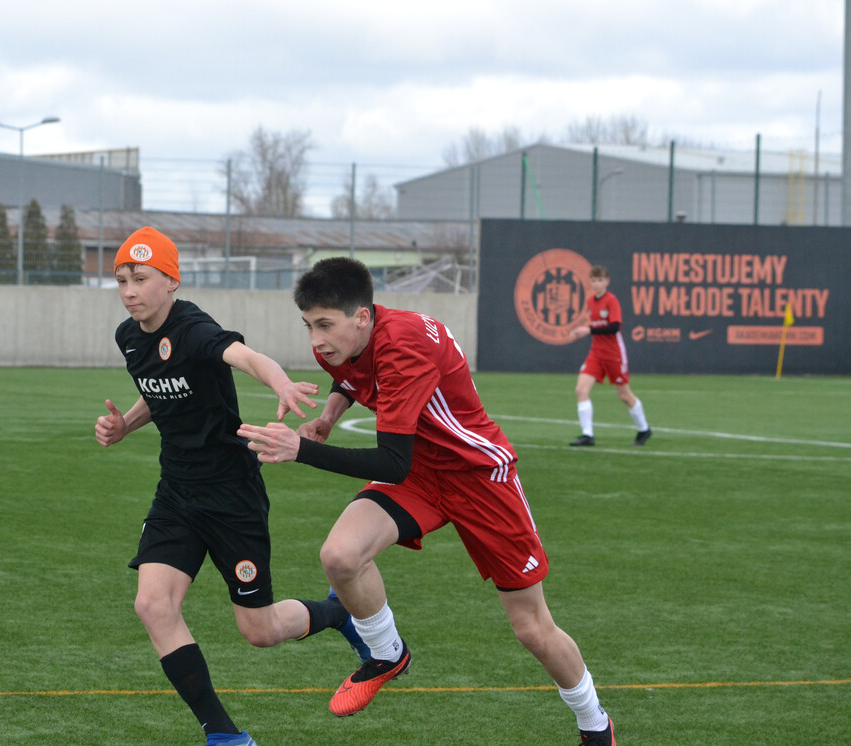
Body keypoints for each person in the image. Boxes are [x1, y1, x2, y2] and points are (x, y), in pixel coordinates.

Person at [237, 257, 616, 745]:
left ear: (362, 317)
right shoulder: (343, 340)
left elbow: (391, 462)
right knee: (339, 556)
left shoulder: (406, 346)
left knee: (531, 628)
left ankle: (594, 724)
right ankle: (387, 653)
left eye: (325, 325)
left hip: (480, 478)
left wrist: (303, 449)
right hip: (421, 473)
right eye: (309, 325)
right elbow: (351, 379)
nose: (317, 340)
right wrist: (330, 416)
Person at [96, 228, 368, 746]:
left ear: (171, 281)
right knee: (153, 605)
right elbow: (163, 391)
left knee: (259, 631)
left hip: (230, 494)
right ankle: (224, 736)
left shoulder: (195, 329)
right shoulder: (128, 336)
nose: (130, 289)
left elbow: (245, 357)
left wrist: (280, 382)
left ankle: (338, 612)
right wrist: (124, 426)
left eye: (142, 278)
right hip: (176, 492)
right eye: (122, 279)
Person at [567, 265, 651, 447]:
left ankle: (644, 429)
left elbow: (614, 327)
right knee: (581, 390)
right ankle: (587, 435)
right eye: (594, 280)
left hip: (614, 354)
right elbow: (596, 328)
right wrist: (581, 332)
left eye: (600, 280)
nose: (597, 284)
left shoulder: (611, 301)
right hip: (596, 353)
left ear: (607, 281)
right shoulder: (590, 302)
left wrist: (587, 330)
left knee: (624, 395)